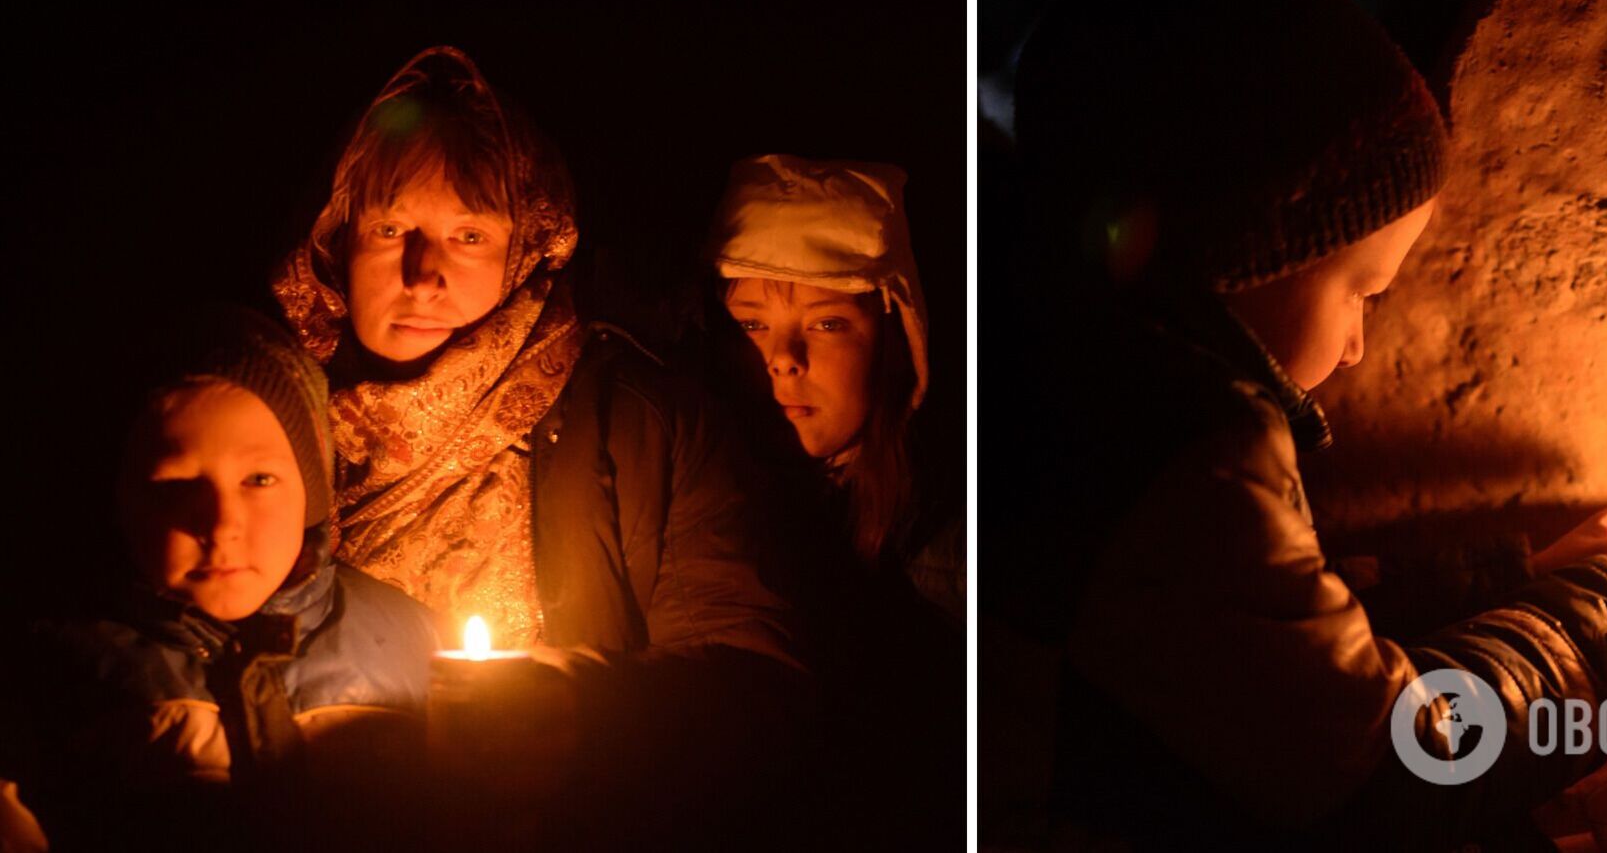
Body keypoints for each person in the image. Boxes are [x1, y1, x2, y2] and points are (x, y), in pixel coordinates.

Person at [986, 0, 1607, 849]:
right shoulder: (1181, 463)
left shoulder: (1092, 382)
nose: (1356, 350)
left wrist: (1523, 582)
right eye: (1362, 292)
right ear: (1253, 251)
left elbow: (1287, 664)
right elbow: (1391, 770)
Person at [271, 47, 805, 845]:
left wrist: (579, 707)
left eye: (469, 235)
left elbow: (756, 692)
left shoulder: (639, 422)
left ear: (527, 246)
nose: (423, 274)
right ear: (336, 244)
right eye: (391, 229)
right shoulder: (266, 427)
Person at [0, 307, 441, 852]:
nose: (222, 525)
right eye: (175, 485)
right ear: (120, 501)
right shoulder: (59, 667)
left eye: (259, 479)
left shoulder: (414, 644)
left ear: (314, 492)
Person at [707, 154, 964, 848]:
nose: (783, 358)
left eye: (826, 325)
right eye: (752, 325)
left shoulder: (945, 541)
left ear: (891, 340)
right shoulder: (693, 513)